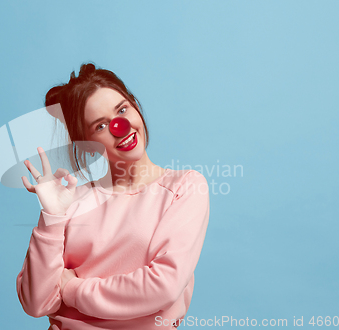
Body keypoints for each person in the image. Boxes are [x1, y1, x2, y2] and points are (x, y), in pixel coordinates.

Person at [16, 63, 210, 330]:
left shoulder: (184, 187)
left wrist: (72, 289)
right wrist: (51, 216)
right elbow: (36, 303)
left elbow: (164, 286)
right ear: (86, 142)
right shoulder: (70, 201)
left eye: (122, 110)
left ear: (136, 106)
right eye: (101, 126)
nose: (121, 126)